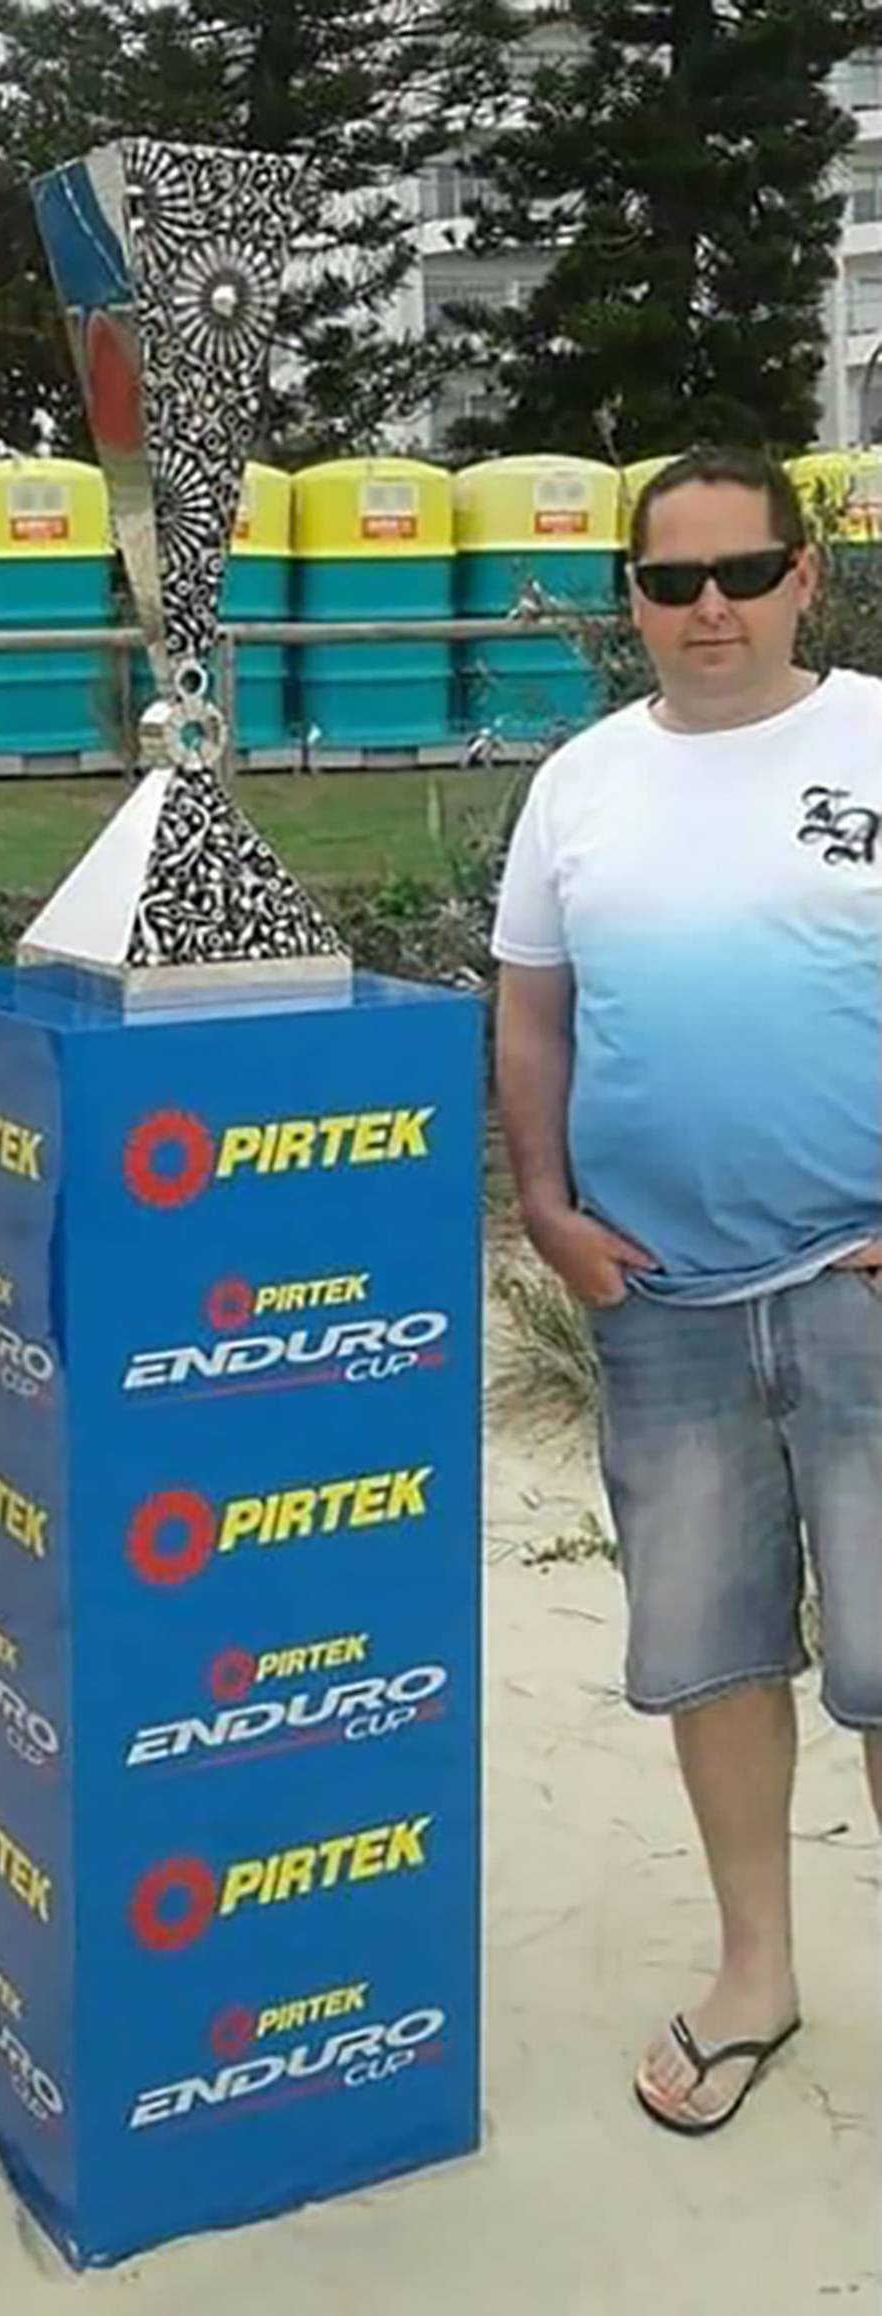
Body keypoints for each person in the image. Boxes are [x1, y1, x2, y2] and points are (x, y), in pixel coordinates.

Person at [492, 444, 882, 2138]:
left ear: (807, 576)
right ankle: (755, 1972)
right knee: (717, 1654)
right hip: (661, 1302)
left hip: (862, 1287)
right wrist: (548, 1209)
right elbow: (530, 1012)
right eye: (671, 583)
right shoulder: (579, 782)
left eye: (741, 573)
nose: (708, 609)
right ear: (631, 602)